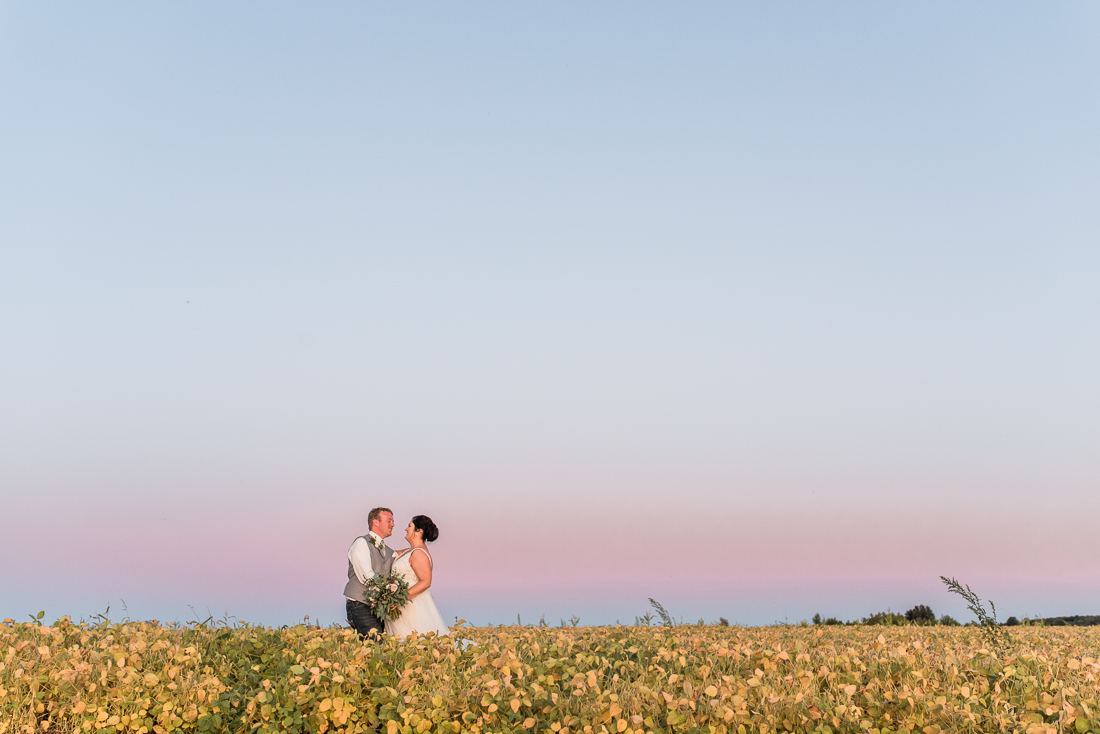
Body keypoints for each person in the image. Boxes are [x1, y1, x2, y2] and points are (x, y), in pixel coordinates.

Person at [385, 515, 451, 638]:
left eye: (409, 526)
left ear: (418, 531)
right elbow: (386, 553)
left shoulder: (419, 553)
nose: (406, 529)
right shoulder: (408, 551)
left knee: (412, 639)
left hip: (410, 605)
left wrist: (399, 599)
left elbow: (426, 581)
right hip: (402, 605)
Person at [343, 507, 396, 639]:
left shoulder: (389, 551)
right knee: (374, 644)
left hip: (380, 608)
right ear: (375, 522)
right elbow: (366, 575)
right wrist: (387, 590)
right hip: (360, 604)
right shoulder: (361, 543)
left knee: (380, 646)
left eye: (393, 521)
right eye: (389, 521)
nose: (393, 524)